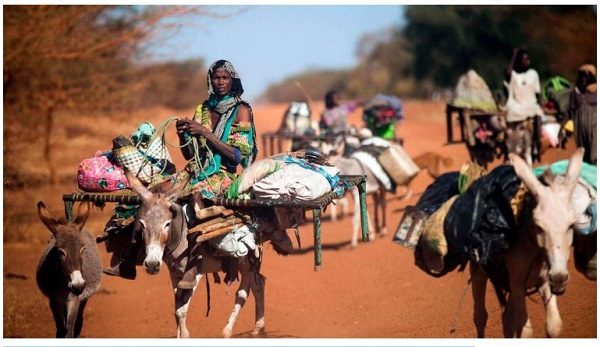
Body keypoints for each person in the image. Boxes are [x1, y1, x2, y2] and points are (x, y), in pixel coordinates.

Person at [104, 60, 258, 283]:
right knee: (152, 193)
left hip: (223, 174)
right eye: (216, 78)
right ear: (210, 80)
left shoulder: (241, 110)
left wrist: (204, 132)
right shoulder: (202, 109)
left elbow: (236, 155)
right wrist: (183, 135)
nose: (221, 82)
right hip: (193, 171)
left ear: (233, 80)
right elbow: (188, 154)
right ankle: (129, 259)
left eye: (225, 78)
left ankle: (193, 263)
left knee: (197, 196)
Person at [504, 48, 544, 163]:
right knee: (511, 114)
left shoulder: (533, 74)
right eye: (524, 59)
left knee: (537, 112)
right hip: (516, 105)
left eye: (528, 59)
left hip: (530, 104)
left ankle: (537, 143)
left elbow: (537, 93)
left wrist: (541, 104)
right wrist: (514, 55)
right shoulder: (513, 74)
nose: (527, 61)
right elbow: (508, 74)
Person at [569, 64, 597, 165]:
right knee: (584, 156)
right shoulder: (576, 93)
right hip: (581, 132)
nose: (583, 79)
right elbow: (570, 110)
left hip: (595, 128)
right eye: (581, 76)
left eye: (586, 76)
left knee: (595, 155)